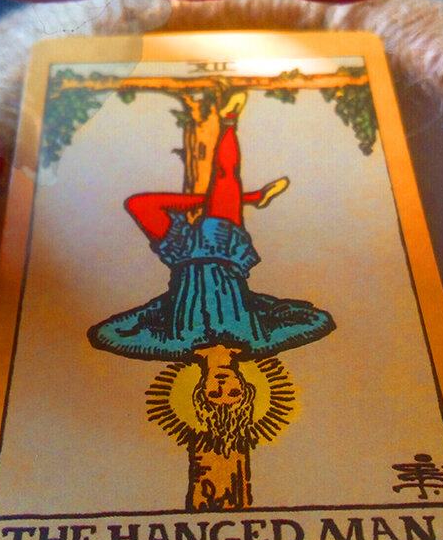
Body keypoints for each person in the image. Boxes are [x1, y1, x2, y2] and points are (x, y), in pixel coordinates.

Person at [88, 93, 335, 448]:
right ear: (244, 385)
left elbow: (106, 334)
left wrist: (159, 308)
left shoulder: (173, 345)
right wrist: (257, 304)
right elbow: (318, 321)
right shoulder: (260, 340)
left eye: (214, 394)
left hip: (182, 255)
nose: (222, 387)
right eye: (233, 392)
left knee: (140, 204)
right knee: (224, 176)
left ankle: (248, 198)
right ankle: (231, 124)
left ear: (200, 390)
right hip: (223, 250)